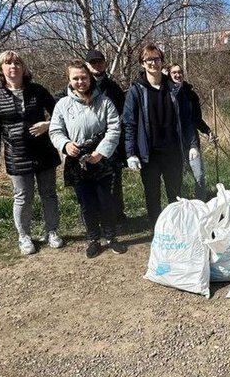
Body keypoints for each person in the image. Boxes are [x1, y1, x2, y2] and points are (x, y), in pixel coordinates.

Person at [0, 50, 63, 256]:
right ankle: (24, 236)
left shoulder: (37, 90)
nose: (13, 67)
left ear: (23, 68)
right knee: (22, 196)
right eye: (8, 64)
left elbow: (61, 113)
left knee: (49, 194)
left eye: (17, 63)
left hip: (44, 150)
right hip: (16, 154)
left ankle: (52, 231)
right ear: (1, 69)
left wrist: (48, 124)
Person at [49, 60, 126, 258]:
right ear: (69, 79)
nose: (80, 82)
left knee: (106, 200)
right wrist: (65, 145)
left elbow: (114, 128)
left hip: (101, 158)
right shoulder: (62, 105)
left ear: (90, 78)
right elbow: (55, 130)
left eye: (84, 77)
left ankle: (111, 238)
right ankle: (93, 239)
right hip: (76, 160)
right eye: (75, 78)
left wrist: (101, 152)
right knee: (86, 202)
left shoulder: (104, 102)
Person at [122, 45, 198, 224]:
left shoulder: (175, 89)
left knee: (175, 194)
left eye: (157, 59)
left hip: (173, 152)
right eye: (149, 60)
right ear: (142, 63)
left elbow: (187, 120)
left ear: (162, 61)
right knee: (152, 195)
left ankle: (177, 226)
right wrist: (131, 152)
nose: (153, 63)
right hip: (149, 154)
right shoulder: (136, 91)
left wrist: (193, 144)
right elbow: (129, 122)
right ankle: (158, 230)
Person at [85, 49, 128, 222]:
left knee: (114, 181)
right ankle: (96, 218)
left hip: (111, 143)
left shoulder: (113, 87)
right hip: (87, 142)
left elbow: (124, 111)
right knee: (91, 183)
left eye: (100, 61)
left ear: (105, 63)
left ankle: (117, 214)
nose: (97, 65)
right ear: (87, 65)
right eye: (93, 62)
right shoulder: (81, 85)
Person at [168, 63, 217, 201]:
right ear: (169, 76)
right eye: (174, 73)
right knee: (177, 179)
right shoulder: (166, 95)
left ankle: (200, 204)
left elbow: (196, 119)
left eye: (180, 72)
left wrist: (208, 131)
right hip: (174, 145)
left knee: (199, 175)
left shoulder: (191, 95)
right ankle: (179, 207)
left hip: (191, 142)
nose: (178, 75)